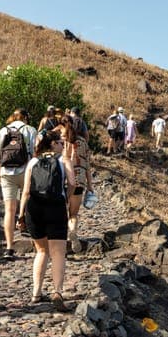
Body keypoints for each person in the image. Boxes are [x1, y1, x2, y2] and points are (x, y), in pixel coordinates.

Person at [18, 130, 74, 311]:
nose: (62, 145)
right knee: (58, 252)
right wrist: (67, 199)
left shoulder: (33, 162)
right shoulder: (63, 160)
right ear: (53, 144)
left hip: (35, 208)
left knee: (41, 251)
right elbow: (72, 183)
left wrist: (21, 214)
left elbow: (26, 190)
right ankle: (57, 291)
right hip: (56, 207)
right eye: (59, 142)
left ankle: (36, 292)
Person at [0, 109, 37, 259]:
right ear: (26, 118)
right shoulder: (30, 130)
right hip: (27, 171)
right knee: (30, 205)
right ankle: (36, 242)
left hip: (6, 173)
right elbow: (36, 153)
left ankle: (9, 248)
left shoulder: (2, 131)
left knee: (9, 211)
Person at [65, 107, 93, 252]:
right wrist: (90, 186)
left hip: (63, 179)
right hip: (79, 178)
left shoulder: (64, 141)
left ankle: (60, 241)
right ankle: (73, 232)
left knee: (62, 211)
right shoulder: (84, 143)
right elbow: (87, 166)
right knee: (74, 213)